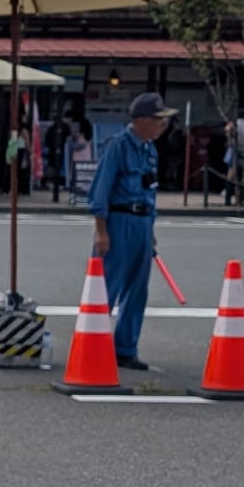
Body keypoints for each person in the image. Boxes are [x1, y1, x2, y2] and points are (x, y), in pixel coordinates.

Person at [88, 92, 173, 369]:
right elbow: (100, 191)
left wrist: (151, 227)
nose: (163, 125)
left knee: (138, 289)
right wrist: (101, 230)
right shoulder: (119, 146)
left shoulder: (150, 150)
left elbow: (150, 190)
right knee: (107, 286)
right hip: (119, 220)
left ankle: (126, 348)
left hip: (142, 222)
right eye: (159, 120)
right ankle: (92, 345)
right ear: (142, 121)